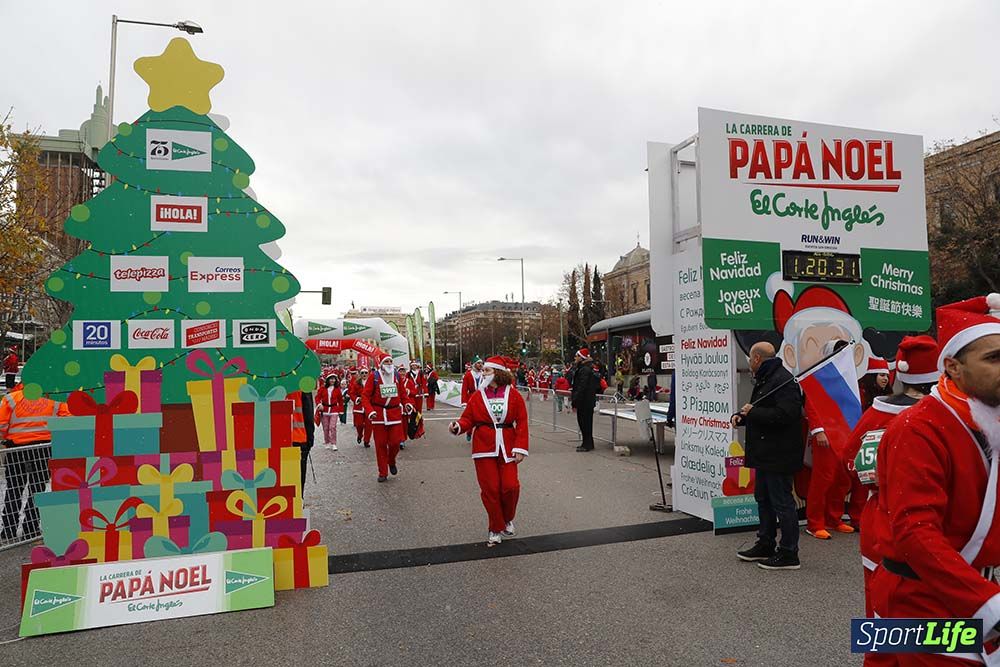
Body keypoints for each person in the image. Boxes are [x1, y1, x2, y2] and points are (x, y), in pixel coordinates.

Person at [872, 294, 1000, 664]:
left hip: (972, 587)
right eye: (993, 358)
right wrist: (986, 603)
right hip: (921, 600)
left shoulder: (989, 417)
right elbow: (915, 531)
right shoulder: (917, 428)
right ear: (952, 367)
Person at [838, 335, 940, 624]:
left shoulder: (877, 413)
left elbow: (849, 460)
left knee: (878, 602)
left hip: (879, 519)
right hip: (933, 525)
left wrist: (877, 479)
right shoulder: (944, 416)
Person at [733, 341, 804, 570]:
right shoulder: (766, 378)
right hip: (764, 453)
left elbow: (786, 414)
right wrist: (743, 416)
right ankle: (765, 542)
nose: (749, 363)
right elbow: (762, 408)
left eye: (750, 359)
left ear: (757, 358)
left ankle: (789, 552)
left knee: (782, 503)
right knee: (763, 499)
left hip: (779, 455)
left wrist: (754, 412)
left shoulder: (783, 381)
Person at [448, 355, 529, 547]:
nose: (482, 373)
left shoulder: (513, 395)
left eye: (486, 370)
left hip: (507, 446)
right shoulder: (478, 395)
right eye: (483, 370)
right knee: (490, 489)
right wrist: (458, 426)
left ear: (497, 373)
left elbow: (522, 421)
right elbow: (468, 418)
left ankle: (507, 518)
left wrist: (520, 447)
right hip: (484, 447)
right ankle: (495, 527)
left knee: (510, 487)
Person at [805, 339, 858, 540]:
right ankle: (815, 523)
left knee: (842, 478)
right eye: (839, 350)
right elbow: (812, 403)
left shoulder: (847, 373)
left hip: (844, 433)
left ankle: (833, 518)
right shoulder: (820, 373)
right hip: (826, 435)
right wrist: (818, 430)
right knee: (823, 479)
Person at [0, 388, 70, 540]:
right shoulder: (55, 398)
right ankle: (31, 529)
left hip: (16, 449)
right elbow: (67, 420)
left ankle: (9, 529)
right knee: (37, 489)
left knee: (14, 489)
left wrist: (7, 438)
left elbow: (1, 424)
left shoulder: (12, 398)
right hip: (43, 449)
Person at [362, 354, 415, 482]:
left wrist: (407, 403)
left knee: (395, 442)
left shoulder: (396, 376)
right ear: (381, 364)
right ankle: (383, 472)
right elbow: (365, 396)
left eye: (391, 361)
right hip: (379, 415)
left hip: (395, 414)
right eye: (386, 361)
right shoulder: (374, 377)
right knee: (380, 444)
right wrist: (370, 411)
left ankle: (391, 461)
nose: (389, 363)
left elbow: (403, 393)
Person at [571, 348, 600, 452]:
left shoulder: (584, 370)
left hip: (585, 401)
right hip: (586, 400)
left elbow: (581, 387)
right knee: (585, 422)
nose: (575, 358)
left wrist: (575, 400)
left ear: (581, 357)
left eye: (577, 356)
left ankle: (587, 444)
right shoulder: (584, 368)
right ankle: (587, 443)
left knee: (585, 423)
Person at [290, 390, 314, 489]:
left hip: (275, 440)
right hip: (299, 438)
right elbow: (308, 412)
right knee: (298, 479)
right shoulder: (302, 385)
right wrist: (310, 439)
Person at [316, 375, 344, 451]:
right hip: (324, 410)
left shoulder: (337, 389)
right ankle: (327, 442)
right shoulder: (322, 388)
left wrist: (341, 411)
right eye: (331, 379)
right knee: (325, 428)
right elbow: (317, 397)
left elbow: (340, 400)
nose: (332, 381)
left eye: (334, 379)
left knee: (332, 427)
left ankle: (334, 443)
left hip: (334, 410)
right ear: (328, 380)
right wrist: (319, 404)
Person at [403, 360, 427, 440]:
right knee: (412, 412)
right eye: (412, 365)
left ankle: (420, 428)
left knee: (419, 412)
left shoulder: (420, 373)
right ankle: (412, 428)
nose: (414, 366)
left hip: (419, 393)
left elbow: (424, 382)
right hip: (411, 395)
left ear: (417, 366)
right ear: (411, 366)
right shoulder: (408, 374)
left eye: (415, 365)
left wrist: (425, 392)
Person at [349, 368, 372, 447]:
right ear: (360, 374)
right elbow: (352, 393)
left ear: (368, 373)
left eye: (366, 372)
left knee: (369, 425)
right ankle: (360, 435)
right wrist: (357, 399)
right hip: (359, 406)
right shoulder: (356, 383)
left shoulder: (371, 383)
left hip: (369, 406)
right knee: (359, 424)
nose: (364, 374)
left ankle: (366, 441)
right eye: (362, 373)